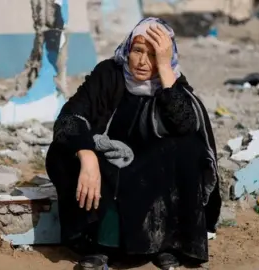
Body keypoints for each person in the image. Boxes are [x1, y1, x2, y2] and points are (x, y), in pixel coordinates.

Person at [46, 17, 222, 269]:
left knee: (188, 150)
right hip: (107, 163)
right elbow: (70, 116)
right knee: (62, 151)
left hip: (150, 169)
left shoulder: (171, 83)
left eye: (153, 54)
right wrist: (87, 155)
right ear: (127, 50)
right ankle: (98, 246)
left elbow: (186, 124)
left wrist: (164, 69)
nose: (142, 61)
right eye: (138, 50)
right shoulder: (108, 75)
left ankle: (166, 244)